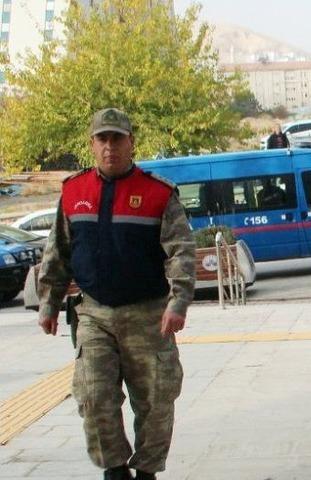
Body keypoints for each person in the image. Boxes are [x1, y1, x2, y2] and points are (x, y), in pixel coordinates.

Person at [37, 108, 196, 480]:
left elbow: (181, 251)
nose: (110, 147)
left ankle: (146, 470)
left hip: (149, 315)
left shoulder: (158, 193)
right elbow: (58, 250)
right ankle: (114, 469)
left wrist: (178, 301)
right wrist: (49, 302)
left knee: (156, 401)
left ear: (131, 142)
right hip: (94, 315)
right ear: (92, 145)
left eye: (117, 139)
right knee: (94, 398)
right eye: (102, 139)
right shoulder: (73, 191)